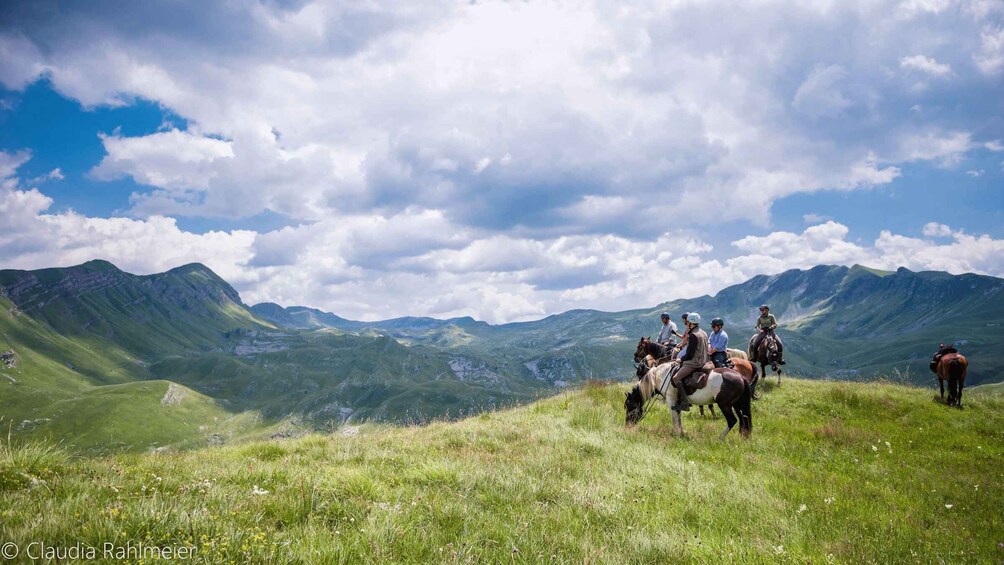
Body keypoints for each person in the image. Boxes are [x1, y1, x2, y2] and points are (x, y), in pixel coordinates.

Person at [670, 313, 709, 412]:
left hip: (694, 363)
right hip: (704, 360)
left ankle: (685, 403)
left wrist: (680, 359)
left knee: (676, 378)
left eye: (687, 322)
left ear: (690, 323)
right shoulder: (703, 332)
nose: (686, 323)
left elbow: (690, 354)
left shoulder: (693, 335)